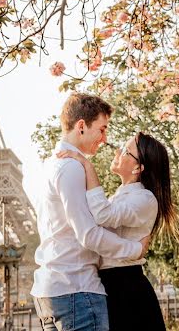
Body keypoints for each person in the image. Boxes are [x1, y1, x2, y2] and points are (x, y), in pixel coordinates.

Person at [32, 93, 151, 331]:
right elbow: (88, 235)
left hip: (48, 291)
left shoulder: (50, 165)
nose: (105, 138)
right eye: (102, 129)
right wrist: (136, 249)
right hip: (76, 289)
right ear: (81, 126)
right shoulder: (72, 168)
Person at [58, 131, 178, 331]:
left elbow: (103, 215)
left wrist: (88, 166)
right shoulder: (121, 196)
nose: (117, 151)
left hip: (127, 289)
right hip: (111, 285)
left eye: (125, 151)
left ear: (138, 168)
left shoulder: (146, 199)